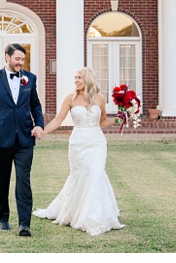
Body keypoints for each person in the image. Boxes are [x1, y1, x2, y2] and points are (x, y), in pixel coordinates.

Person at [33, 67, 125, 236]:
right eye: (75, 77)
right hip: (78, 144)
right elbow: (58, 120)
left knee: (96, 174)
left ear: (88, 79)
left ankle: (95, 217)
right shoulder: (71, 98)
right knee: (81, 176)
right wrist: (43, 131)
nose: (76, 80)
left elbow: (102, 122)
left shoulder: (100, 98)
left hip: (97, 143)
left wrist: (118, 119)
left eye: (79, 77)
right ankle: (77, 212)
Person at [0, 43, 45, 237]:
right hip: (0, 138)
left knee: (24, 180)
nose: (20, 63)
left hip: (24, 138)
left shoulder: (30, 79)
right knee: (1, 180)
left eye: (22, 59)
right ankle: (2, 219)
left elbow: (36, 106)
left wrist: (39, 125)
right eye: (17, 59)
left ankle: (24, 223)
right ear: (6, 57)